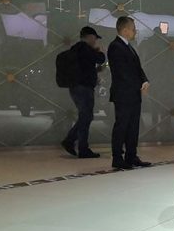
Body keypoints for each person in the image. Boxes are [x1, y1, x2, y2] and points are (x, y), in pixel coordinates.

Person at [108, 16, 150, 170]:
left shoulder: (128, 47)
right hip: (124, 94)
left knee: (133, 126)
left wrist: (144, 81)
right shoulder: (115, 46)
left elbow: (137, 69)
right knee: (122, 126)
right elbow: (122, 72)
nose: (135, 31)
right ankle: (117, 157)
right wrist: (139, 83)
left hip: (132, 94)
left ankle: (131, 156)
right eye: (133, 28)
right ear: (125, 30)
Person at [61, 26, 107, 158]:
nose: (95, 41)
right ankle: (79, 146)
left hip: (77, 87)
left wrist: (96, 71)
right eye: (95, 38)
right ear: (90, 36)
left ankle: (74, 142)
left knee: (85, 116)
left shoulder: (76, 49)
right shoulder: (84, 48)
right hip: (83, 88)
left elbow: (85, 68)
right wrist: (100, 52)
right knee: (86, 116)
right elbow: (100, 58)